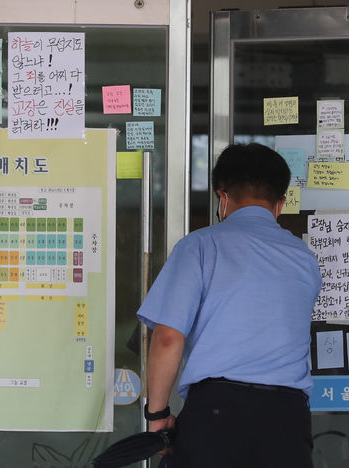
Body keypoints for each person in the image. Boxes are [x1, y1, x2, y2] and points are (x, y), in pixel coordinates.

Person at [137, 143, 322, 467]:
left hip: (217, 413)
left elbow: (167, 338)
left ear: (222, 198)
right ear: (279, 203)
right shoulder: (304, 258)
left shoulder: (199, 246)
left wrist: (157, 414)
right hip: (287, 419)